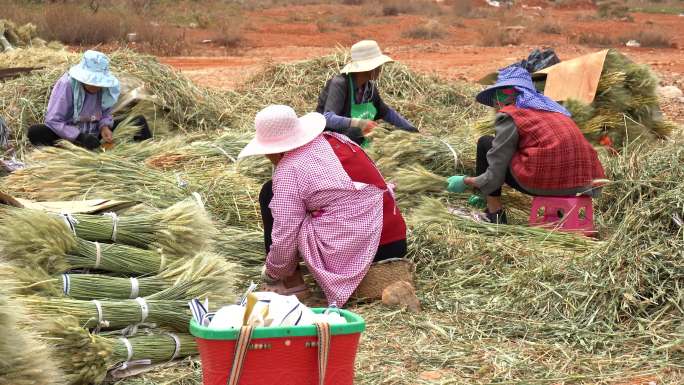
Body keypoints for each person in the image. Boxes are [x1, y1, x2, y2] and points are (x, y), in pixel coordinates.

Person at [238, 105, 408, 307]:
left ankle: (290, 284)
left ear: (276, 149)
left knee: (270, 193)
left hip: (367, 248)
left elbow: (286, 233)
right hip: (395, 241)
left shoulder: (289, 169)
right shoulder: (335, 139)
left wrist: (274, 271)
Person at [446, 65, 606, 224]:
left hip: (544, 182)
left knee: (486, 143)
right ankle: (558, 214)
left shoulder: (510, 115)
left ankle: (494, 214)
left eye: (497, 96)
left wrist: (468, 181)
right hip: (581, 184)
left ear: (507, 95)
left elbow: (495, 174)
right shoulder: (556, 112)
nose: (495, 103)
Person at [27, 50, 151, 150]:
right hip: (70, 136)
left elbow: (106, 113)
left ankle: (144, 155)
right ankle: (70, 150)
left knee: (138, 121)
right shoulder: (67, 85)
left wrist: (104, 127)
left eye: (99, 83)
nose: (96, 86)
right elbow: (54, 120)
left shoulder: (104, 88)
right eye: (92, 82)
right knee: (36, 132)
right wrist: (80, 137)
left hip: (95, 133)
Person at [315, 40, 418, 146]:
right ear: (370, 68)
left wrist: (413, 131)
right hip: (330, 143)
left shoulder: (369, 89)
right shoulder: (340, 84)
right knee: (356, 131)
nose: (380, 69)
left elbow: (387, 113)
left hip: (353, 144)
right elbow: (327, 118)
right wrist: (360, 123)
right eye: (378, 66)